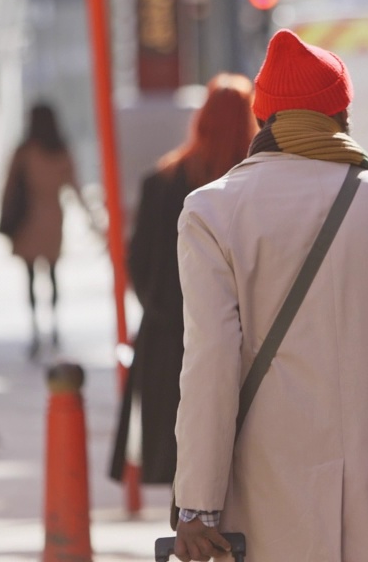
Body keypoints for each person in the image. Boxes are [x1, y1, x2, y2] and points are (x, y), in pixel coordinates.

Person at [172, 30, 368, 562]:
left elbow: (211, 365)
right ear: (341, 115)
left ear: (264, 118)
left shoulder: (212, 212)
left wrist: (196, 505)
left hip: (272, 483)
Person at [108, 74, 257, 487]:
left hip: (170, 338)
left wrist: (161, 308)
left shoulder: (163, 180)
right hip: (248, 341)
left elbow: (137, 261)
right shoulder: (254, 185)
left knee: (183, 463)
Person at [0, 103, 90, 358]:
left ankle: (35, 330)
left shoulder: (24, 152)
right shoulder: (60, 151)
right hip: (52, 217)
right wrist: (91, 218)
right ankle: (54, 327)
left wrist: (4, 216)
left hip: (28, 219)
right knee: (52, 273)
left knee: (29, 276)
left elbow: (8, 188)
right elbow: (75, 186)